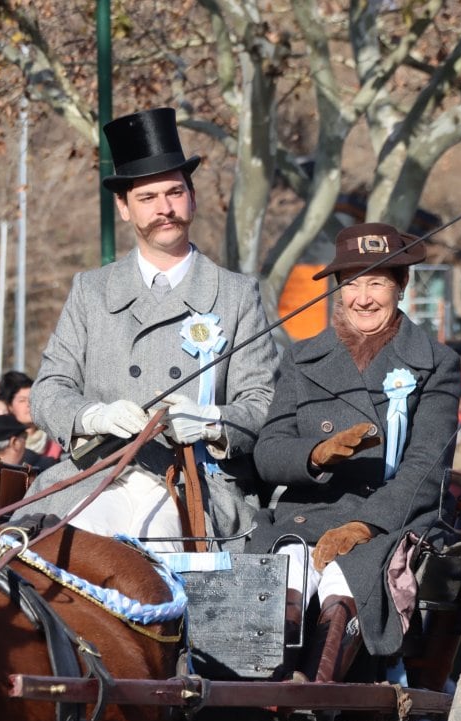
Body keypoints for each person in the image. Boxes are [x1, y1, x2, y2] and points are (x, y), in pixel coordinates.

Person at [29, 107, 278, 547]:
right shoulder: (91, 290)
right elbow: (48, 391)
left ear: (193, 198)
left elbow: (262, 403)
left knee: (148, 562)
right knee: (47, 551)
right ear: (123, 208)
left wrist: (213, 422)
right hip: (96, 475)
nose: (165, 209)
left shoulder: (237, 294)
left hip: (193, 486)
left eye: (174, 193)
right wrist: (92, 416)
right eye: (147, 198)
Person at [246, 222, 461, 682]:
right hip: (306, 515)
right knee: (286, 567)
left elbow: (426, 468)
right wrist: (318, 454)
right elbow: (269, 454)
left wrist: (365, 525)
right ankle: (264, 686)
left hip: (392, 520)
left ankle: (314, 691)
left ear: (401, 286)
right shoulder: (302, 358)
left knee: (350, 575)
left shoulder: (437, 362)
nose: (363, 297)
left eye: (377, 282)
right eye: (352, 283)